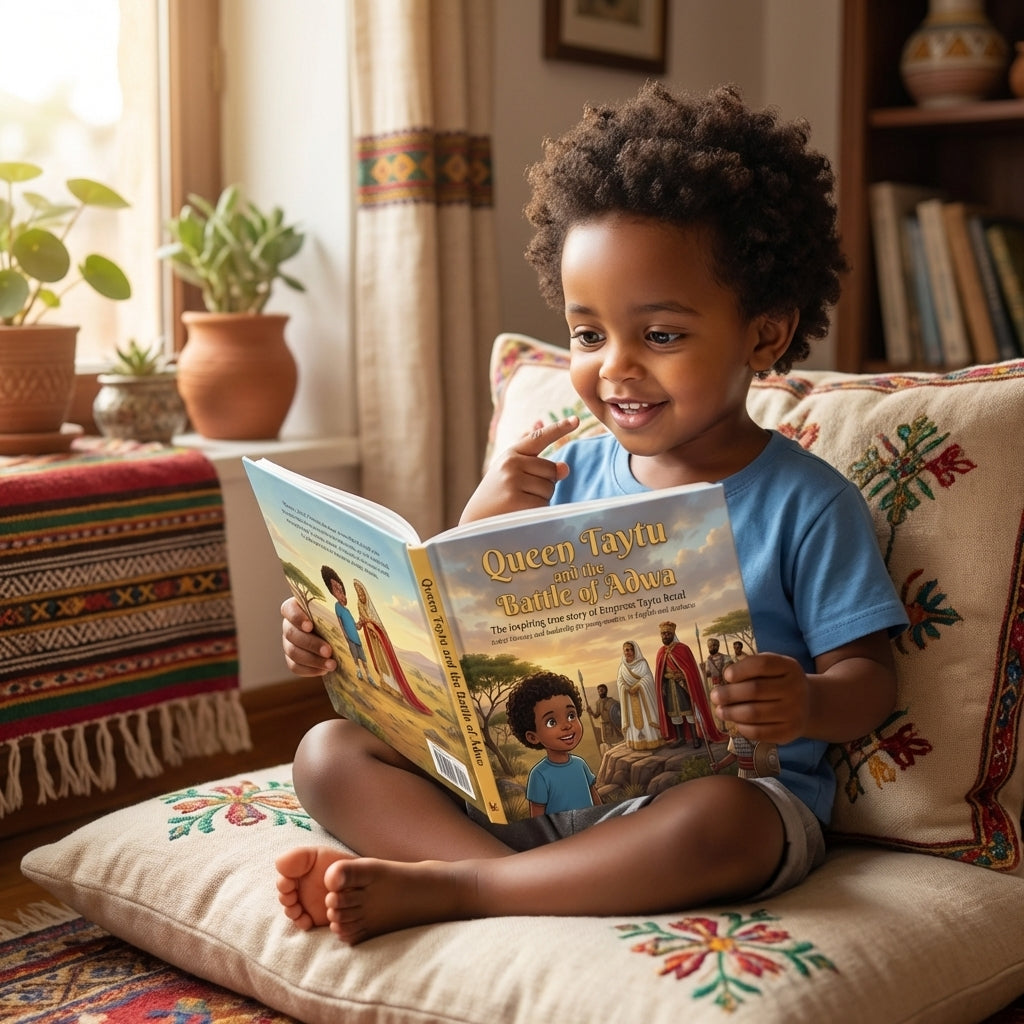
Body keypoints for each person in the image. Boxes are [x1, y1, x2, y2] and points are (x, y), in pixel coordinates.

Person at [274, 82, 908, 946]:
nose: (615, 368)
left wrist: (805, 704)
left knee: (726, 819)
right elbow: (453, 662)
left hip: (704, 803)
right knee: (325, 753)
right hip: (541, 794)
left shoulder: (809, 502)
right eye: (586, 334)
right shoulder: (557, 471)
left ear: (764, 335)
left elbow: (870, 684)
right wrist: (439, 553)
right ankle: (498, 879)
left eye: (661, 335)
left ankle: (461, 890)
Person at [507, 671, 601, 816]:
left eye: (571, 715)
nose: (567, 725)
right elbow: (538, 817)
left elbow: (595, 798)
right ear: (533, 737)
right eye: (552, 722)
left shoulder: (580, 764)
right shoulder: (539, 775)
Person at [352, 578, 433, 715]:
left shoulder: (370, 608)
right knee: (379, 662)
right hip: (372, 639)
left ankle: (395, 688)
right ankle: (386, 685)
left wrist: (373, 627)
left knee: (387, 663)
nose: (360, 595)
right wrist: (357, 624)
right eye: (358, 592)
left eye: (361, 592)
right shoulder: (359, 605)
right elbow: (362, 620)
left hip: (379, 639)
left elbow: (375, 623)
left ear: (365, 593)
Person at [653, 621, 704, 748]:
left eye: (667, 633)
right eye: (663, 634)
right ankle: (680, 738)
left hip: (683, 686)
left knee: (688, 712)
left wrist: (683, 675)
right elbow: (660, 673)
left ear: (673, 634)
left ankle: (695, 737)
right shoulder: (660, 652)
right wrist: (663, 682)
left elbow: (690, 670)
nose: (665, 636)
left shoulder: (683, 649)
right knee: (674, 714)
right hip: (670, 687)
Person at [320, 566, 373, 685]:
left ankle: (369, 675)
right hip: (350, 638)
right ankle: (358, 671)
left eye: (342, 590)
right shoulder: (337, 606)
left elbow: (356, 626)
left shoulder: (348, 611)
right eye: (337, 590)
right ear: (333, 593)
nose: (341, 594)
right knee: (355, 656)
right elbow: (340, 622)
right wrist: (346, 636)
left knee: (363, 658)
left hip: (357, 638)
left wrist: (361, 621)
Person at [615, 640, 662, 751]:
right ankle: (636, 742)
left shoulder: (642, 663)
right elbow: (620, 681)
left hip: (642, 697)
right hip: (629, 699)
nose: (628, 652)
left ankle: (652, 741)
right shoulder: (622, 667)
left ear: (635, 650)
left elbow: (648, 678)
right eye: (626, 650)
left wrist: (638, 686)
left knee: (646, 718)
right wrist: (626, 688)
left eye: (631, 650)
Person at [586, 682, 623, 747]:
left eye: (602, 690)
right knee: (608, 744)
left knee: (617, 742)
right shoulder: (598, 703)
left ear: (605, 691)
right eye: (599, 690)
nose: (600, 692)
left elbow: (618, 710)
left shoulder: (612, 701)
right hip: (604, 726)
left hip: (612, 725)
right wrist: (590, 712)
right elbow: (596, 716)